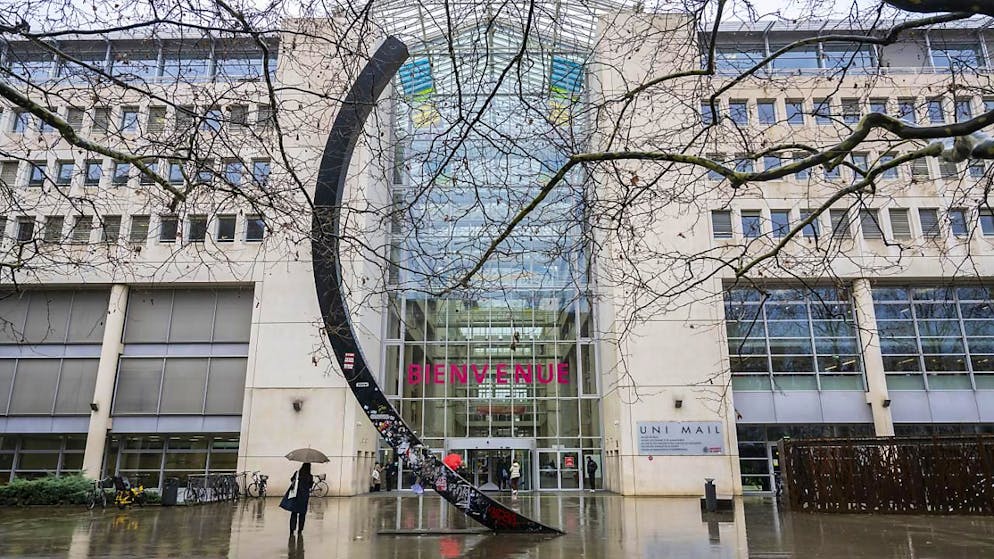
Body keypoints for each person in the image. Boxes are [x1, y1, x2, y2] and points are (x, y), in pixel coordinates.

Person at [280, 463, 314, 535]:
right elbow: (310, 486)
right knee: (302, 514)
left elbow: (292, 479)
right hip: (304, 497)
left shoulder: (297, 473)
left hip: (296, 495)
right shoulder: (310, 476)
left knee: (294, 513)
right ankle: (300, 530)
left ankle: (292, 530)